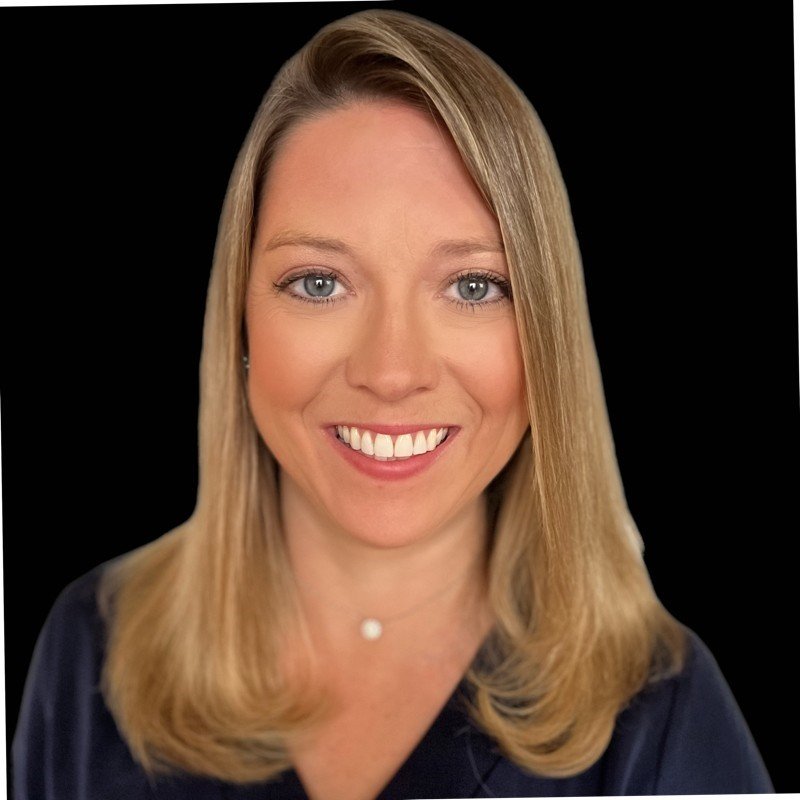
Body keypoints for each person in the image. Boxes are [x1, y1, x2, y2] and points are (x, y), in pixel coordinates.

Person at [11, 8, 774, 800]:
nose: (391, 371)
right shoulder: (95, 648)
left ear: (546, 337)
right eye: (318, 283)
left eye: (473, 287)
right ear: (238, 323)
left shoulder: (660, 709)